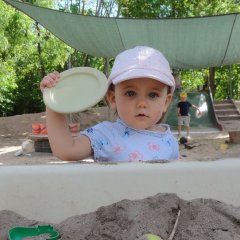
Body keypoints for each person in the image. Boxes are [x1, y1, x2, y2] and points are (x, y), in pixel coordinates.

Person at [40, 46, 179, 162]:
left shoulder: (169, 140)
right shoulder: (105, 135)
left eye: (153, 95)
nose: (142, 103)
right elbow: (66, 150)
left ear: (166, 102)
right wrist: (54, 102)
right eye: (131, 93)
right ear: (113, 99)